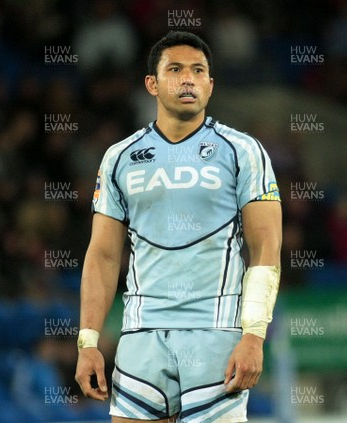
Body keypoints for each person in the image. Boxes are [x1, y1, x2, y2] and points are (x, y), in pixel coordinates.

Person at [75, 31, 282, 423]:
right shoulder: (119, 158)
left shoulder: (244, 152)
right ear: (152, 84)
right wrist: (88, 341)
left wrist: (254, 335)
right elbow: (102, 255)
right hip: (140, 338)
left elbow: (266, 249)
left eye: (198, 71)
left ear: (210, 84)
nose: (188, 79)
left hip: (216, 335)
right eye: (175, 69)